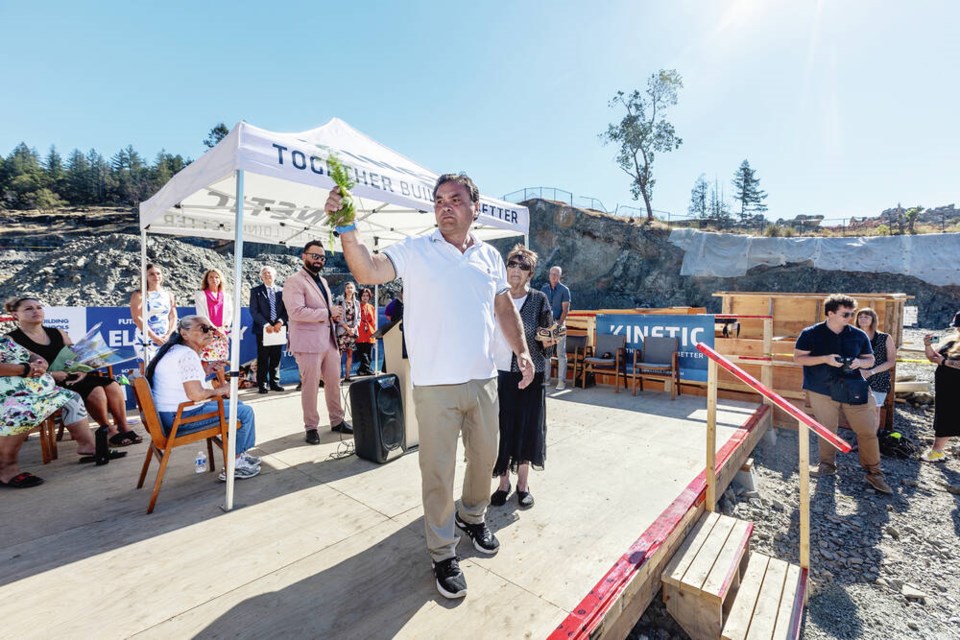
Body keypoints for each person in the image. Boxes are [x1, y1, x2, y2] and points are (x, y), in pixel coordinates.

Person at [325, 172, 534, 600]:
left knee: (486, 459)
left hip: (483, 380)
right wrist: (347, 228)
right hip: (435, 385)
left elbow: (503, 309)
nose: (445, 206)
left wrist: (523, 351)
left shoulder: (491, 258)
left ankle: (472, 517)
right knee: (437, 472)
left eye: (455, 199)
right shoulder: (417, 249)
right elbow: (367, 269)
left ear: (475, 208)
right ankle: (442, 552)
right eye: (439, 200)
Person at [6, 295, 143, 447]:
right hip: (43, 384)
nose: (36, 311)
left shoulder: (57, 332)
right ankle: (108, 429)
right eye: (29, 308)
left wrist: (82, 370)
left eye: (38, 307)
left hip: (73, 375)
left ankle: (123, 426)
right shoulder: (11, 340)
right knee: (96, 390)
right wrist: (51, 375)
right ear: (15, 315)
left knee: (112, 385)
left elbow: (76, 356)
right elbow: (15, 371)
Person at [794, 294, 892, 495]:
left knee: (866, 430)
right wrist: (825, 359)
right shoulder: (810, 333)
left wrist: (859, 363)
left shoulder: (858, 335)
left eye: (851, 313)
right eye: (846, 314)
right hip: (821, 389)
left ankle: (875, 473)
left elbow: (869, 359)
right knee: (827, 430)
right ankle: (827, 466)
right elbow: (799, 358)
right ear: (830, 313)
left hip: (854, 387)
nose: (850, 317)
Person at [145, 315, 260, 481]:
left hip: (170, 415)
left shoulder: (175, 350)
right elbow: (196, 394)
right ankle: (235, 464)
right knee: (244, 412)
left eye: (211, 328)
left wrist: (206, 371)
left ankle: (238, 453)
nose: (210, 332)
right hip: (179, 419)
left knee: (238, 405)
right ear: (185, 334)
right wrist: (221, 389)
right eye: (203, 329)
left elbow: (182, 382)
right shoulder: (187, 355)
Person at [490, 245, 553, 510]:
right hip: (497, 373)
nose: (516, 270)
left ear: (531, 273)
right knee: (501, 428)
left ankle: (522, 485)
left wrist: (548, 337)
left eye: (523, 266)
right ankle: (503, 483)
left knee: (528, 428)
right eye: (512, 264)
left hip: (531, 375)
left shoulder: (539, 300)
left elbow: (549, 341)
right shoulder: (493, 296)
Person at [1, 335, 106, 487]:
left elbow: (30, 354)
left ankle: (88, 446)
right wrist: (25, 369)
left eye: (38, 308)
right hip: (8, 394)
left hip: (33, 387)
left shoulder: (5, 341)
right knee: (22, 412)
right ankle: (6, 467)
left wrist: (39, 361)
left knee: (72, 398)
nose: (36, 310)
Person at [284, 240, 352, 443]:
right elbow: (296, 312)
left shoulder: (322, 282)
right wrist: (327, 312)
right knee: (310, 386)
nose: (319, 260)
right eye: (315, 256)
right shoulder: (294, 281)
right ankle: (311, 427)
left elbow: (326, 311)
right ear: (304, 256)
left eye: (322, 257)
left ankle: (337, 420)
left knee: (333, 383)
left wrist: (334, 315)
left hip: (329, 341)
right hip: (308, 344)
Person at [921, 310, 960, 462]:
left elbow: (942, 361)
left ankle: (936, 451)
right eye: (957, 326)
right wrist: (927, 346)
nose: (958, 329)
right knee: (944, 416)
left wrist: (944, 362)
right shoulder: (951, 341)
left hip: (955, 387)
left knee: (948, 417)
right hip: (946, 387)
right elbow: (933, 357)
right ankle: (937, 451)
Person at [856, 307, 897, 429]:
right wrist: (859, 371)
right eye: (860, 316)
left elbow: (891, 361)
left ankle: (871, 439)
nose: (863, 319)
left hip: (878, 378)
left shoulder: (885, 337)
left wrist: (871, 371)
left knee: (874, 410)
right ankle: (860, 438)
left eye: (866, 316)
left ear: (873, 319)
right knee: (858, 410)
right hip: (858, 378)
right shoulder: (853, 337)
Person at [249, 266, 288, 394]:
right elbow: (254, 311)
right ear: (261, 276)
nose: (267, 275)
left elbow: (286, 311)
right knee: (263, 358)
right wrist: (267, 325)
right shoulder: (255, 291)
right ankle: (262, 384)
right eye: (264, 274)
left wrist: (280, 322)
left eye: (269, 273)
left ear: (274, 276)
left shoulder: (282, 291)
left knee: (276, 357)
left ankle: (275, 382)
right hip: (263, 330)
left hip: (278, 329)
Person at [130, 263, 177, 360]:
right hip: (146, 339)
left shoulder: (169, 295)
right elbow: (136, 318)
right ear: (145, 277)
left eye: (158, 273)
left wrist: (169, 335)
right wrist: (154, 337)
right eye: (151, 274)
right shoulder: (139, 294)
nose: (156, 276)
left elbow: (173, 316)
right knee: (146, 372)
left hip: (166, 339)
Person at [193, 268, 233, 374]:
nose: (214, 279)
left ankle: (221, 385)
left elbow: (230, 313)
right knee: (205, 358)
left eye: (216, 277)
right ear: (206, 279)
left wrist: (223, 328)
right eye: (211, 277)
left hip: (222, 333)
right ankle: (203, 385)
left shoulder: (226, 296)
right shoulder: (200, 295)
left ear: (220, 279)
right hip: (207, 332)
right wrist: (214, 329)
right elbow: (202, 315)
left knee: (220, 360)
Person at [541, 265, 571, 390]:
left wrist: (558, 324)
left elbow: (566, 309)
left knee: (560, 354)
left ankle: (561, 382)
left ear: (560, 276)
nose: (553, 276)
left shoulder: (564, 290)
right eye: (552, 274)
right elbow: (541, 307)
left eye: (556, 274)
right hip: (546, 325)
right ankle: (546, 380)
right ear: (549, 275)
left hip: (559, 323)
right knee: (546, 354)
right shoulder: (544, 289)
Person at [336, 282, 360, 382]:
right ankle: (336, 377)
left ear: (354, 289)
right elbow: (339, 317)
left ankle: (347, 376)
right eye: (347, 287)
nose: (349, 289)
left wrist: (354, 328)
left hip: (352, 332)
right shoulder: (340, 301)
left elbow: (358, 318)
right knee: (339, 355)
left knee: (350, 355)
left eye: (351, 288)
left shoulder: (357, 303)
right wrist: (347, 329)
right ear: (345, 289)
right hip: (343, 331)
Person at [355, 287, 377, 376]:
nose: (365, 297)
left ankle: (361, 371)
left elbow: (374, 321)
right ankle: (368, 370)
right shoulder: (357, 306)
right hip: (360, 333)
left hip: (370, 333)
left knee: (369, 355)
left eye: (367, 295)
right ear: (360, 296)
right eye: (363, 295)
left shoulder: (371, 307)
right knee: (363, 355)